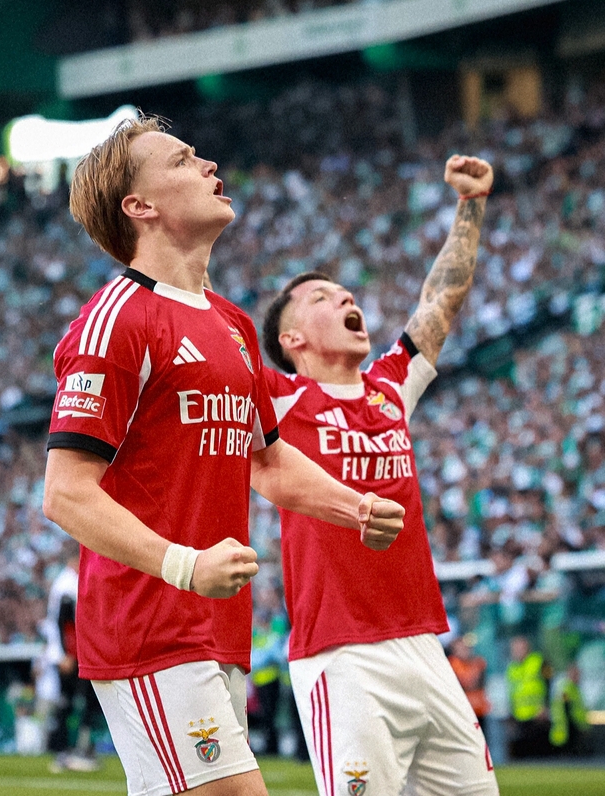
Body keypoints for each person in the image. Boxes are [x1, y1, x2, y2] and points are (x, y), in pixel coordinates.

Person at [42, 114, 405, 796]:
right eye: (182, 161)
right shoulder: (117, 317)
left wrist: (351, 504)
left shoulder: (232, 323)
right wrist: (185, 565)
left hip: (216, 624)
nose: (208, 165)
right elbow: (65, 492)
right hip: (150, 622)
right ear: (139, 206)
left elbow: (265, 460)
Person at [261, 154, 499, 795]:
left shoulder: (391, 386)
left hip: (424, 642)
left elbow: (440, 300)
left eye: (345, 292)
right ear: (292, 340)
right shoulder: (277, 399)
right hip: (342, 654)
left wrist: (470, 206)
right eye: (321, 297)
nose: (344, 297)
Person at [43, 552, 103, 772]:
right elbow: (64, 623)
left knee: (72, 702)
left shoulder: (65, 582)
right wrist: (67, 654)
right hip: (71, 653)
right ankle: (66, 751)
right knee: (71, 702)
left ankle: (73, 750)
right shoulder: (68, 585)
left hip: (69, 651)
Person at [505, 635, 552, 759]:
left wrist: (546, 706)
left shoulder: (538, 661)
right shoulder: (511, 668)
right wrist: (511, 714)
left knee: (539, 754)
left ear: (527, 648)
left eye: (520, 648)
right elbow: (512, 693)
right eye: (514, 648)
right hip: (520, 716)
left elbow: (549, 683)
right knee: (523, 756)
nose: (517, 651)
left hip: (538, 715)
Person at [447, 635, 491, 736]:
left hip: (479, 710)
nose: (465, 650)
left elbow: (480, 683)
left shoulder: (478, 662)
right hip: (462, 712)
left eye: (466, 647)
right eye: (461, 648)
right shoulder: (452, 665)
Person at [549, 661, 591, 756]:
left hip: (571, 731)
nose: (578, 677)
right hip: (566, 732)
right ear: (569, 674)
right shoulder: (566, 689)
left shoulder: (574, 688)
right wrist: (576, 727)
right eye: (575, 674)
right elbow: (566, 708)